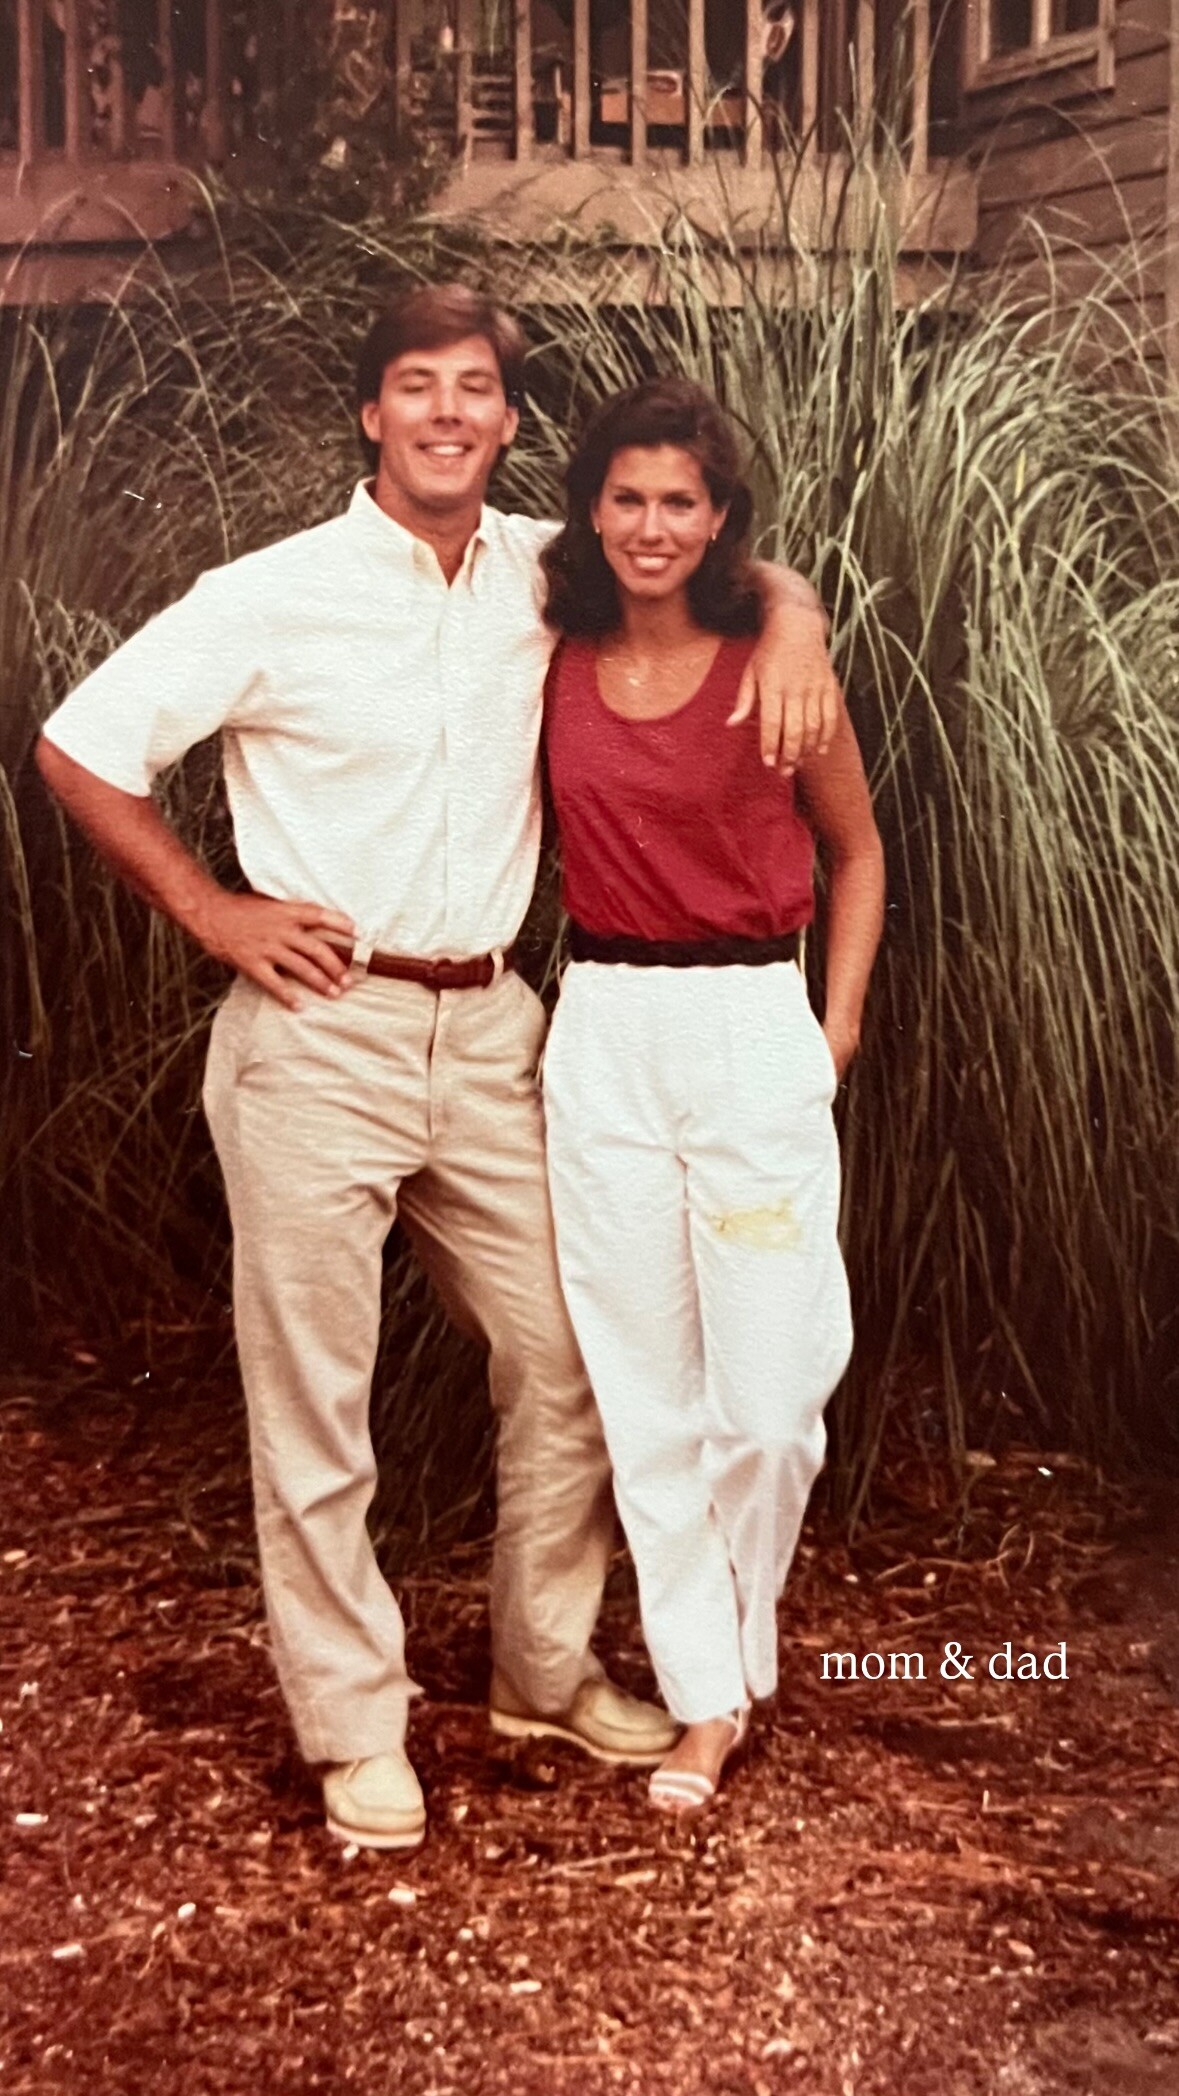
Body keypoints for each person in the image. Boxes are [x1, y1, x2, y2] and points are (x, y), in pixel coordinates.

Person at [35, 286, 841, 1853]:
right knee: (316, 1403)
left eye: (477, 389)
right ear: (371, 412)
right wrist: (212, 911)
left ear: (510, 422)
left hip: (493, 1030)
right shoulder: (272, 593)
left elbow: (704, 551)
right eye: (418, 386)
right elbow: (81, 743)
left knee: (572, 1350)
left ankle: (542, 1671)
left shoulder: (544, 571)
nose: (449, 413)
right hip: (317, 1033)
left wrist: (797, 614)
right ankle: (353, 1725)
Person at [540, 377, 884, 1815]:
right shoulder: (551, 648)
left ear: (722, 516)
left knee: (770, 1401)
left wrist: (834, 1031)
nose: (651, 526)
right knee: (646, 1392)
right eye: (626, 497)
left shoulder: (776, 667)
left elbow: (859, 853)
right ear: (590, 509)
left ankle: (742, 1640)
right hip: (607, 1027)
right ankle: (708, 1693)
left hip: (750, 1023)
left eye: (680, 500)